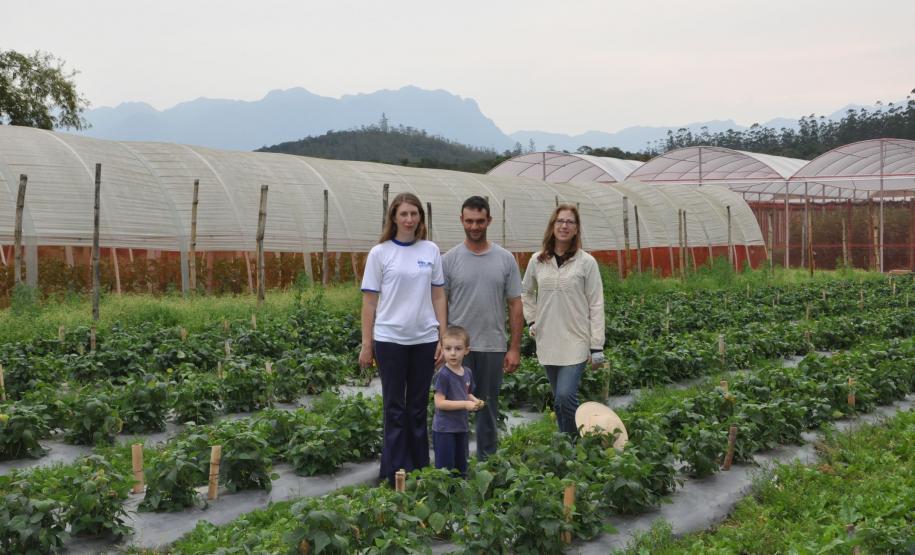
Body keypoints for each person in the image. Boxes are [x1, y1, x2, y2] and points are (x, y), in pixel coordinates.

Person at [359, 192, 447, 485]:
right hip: (390, 340)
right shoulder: (380, 253)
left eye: (414, 214)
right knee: (394, 406)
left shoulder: (431, 250)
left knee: (418, 406)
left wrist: (441, 337)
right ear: (394, 218)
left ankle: (420, 466)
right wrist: (367, 344)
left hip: (423, 339)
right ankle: (394, 469)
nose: (409, 220)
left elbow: (438, 295)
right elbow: (370, 302)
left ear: (420, 217)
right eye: (404, 214)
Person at [442, 196, 522, 460]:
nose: (474, 226)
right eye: (469, 221)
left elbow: (514, 304)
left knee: (486, 407)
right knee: (455, 407)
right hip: (457, 350)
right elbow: (440, 301)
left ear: (489, 220)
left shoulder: (505, 259)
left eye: (479, 221)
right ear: (461, 221)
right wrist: (442, 343)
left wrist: (513, 348)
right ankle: (457, 465)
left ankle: (487, 462)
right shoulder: (450, 259)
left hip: (491, 345)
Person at [521, 203, 605, 436]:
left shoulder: (586, 262)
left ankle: (574, 443)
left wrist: (596, 345)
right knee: (559, 399)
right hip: (548, 339)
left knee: (565, 396)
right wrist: (532, 321)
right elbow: (526, 292)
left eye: (570, 222)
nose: (564, 226)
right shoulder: (537, 260)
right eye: (560, 221)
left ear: (577, 229)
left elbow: (596, 303)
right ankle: (568, 447)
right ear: (552, 225)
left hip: (576, 339)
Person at [432, 325, 483, 476]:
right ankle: (445, 497)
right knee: (445, 470)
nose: (453, 353)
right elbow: (440, 403)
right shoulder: (443, 375)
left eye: (458, 349)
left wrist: (474, 400)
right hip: (444, 430)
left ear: (467, 350)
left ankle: (459, 497)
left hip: (461, 427)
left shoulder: (467, 372)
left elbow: (465, 393)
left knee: (461, 467)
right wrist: (466, 404)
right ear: (442, 349)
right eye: (448, 349)